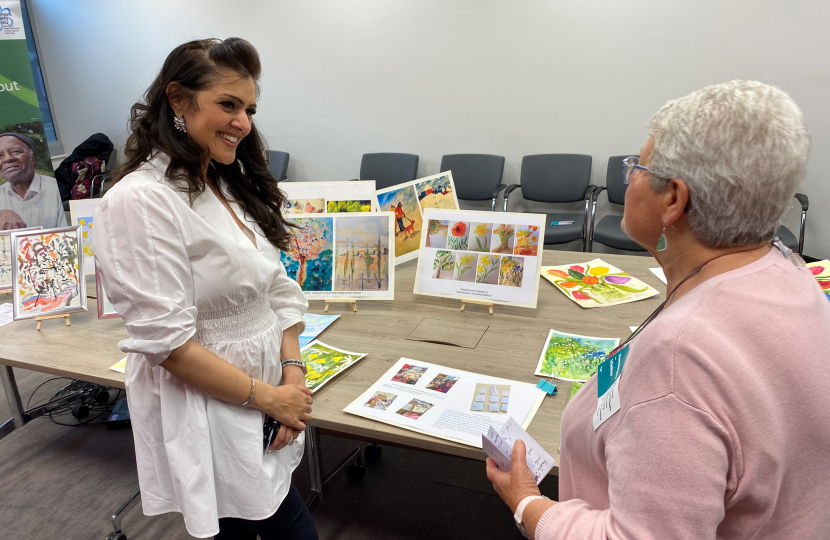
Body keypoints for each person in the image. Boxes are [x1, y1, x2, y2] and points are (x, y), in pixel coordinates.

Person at [486, 80, 830, 539]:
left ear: (673, 200)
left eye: (637, 165)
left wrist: (527, 503)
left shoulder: (680, 357)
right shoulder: (792, 271)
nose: (628, 176)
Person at [92, 38, 318, 539]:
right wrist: (268, 398)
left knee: (275, 514)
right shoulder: (140, 202)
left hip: (264, 397)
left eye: (250, 108)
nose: (243, 122)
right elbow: (169, 346)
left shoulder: (221, 178)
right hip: (213, 407)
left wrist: (292, 371)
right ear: (177, 99)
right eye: (228, 104)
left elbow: (275, 284)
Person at [0, 132, 67, 230]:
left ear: (33, 158)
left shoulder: (56, 189)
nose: (8, 158)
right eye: (0, 156)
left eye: (15, 151)